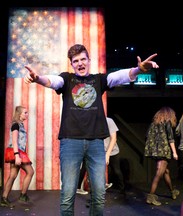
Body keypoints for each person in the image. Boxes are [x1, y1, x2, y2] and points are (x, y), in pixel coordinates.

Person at [24, 44, 159, 215]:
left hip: (96, 142)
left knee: (99, 194)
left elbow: (118, 77)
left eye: (82, 59)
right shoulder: (67, 79)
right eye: (75, 61)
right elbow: (52, 81)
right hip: (71, 141)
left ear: (89, 60)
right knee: (67, 194)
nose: (80, 63)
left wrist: (138, 70)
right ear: (71, 64)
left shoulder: (98, 80)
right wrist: (38, 78)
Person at [0, 105, 35, 208]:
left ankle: (4, 198)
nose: (27, 114)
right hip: (16, 152)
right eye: (25, 112)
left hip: (18, 151)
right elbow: (14, 140)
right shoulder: (16, 125)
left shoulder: (20, 125)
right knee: (30, 171)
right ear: (20, 114)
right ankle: (23, 195)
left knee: (13, 175)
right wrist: (17, 156)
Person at [144, 106, 180, 206]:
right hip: (163, 152)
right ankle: (151, 196)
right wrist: (174, 152)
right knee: (159, 173)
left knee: (165, 171)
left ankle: (172, 191)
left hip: (154, 152)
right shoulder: (167, 122)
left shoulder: (153, 124)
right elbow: (171, 138)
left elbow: (146, 136)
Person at [104, 117, 124, 195]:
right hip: (100, 151)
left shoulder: (109, 121)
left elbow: (114, 138)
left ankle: (122, 189)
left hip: (112, 150)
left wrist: (108, 154)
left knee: (116, 170)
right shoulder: (94, 121)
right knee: (98, 170)